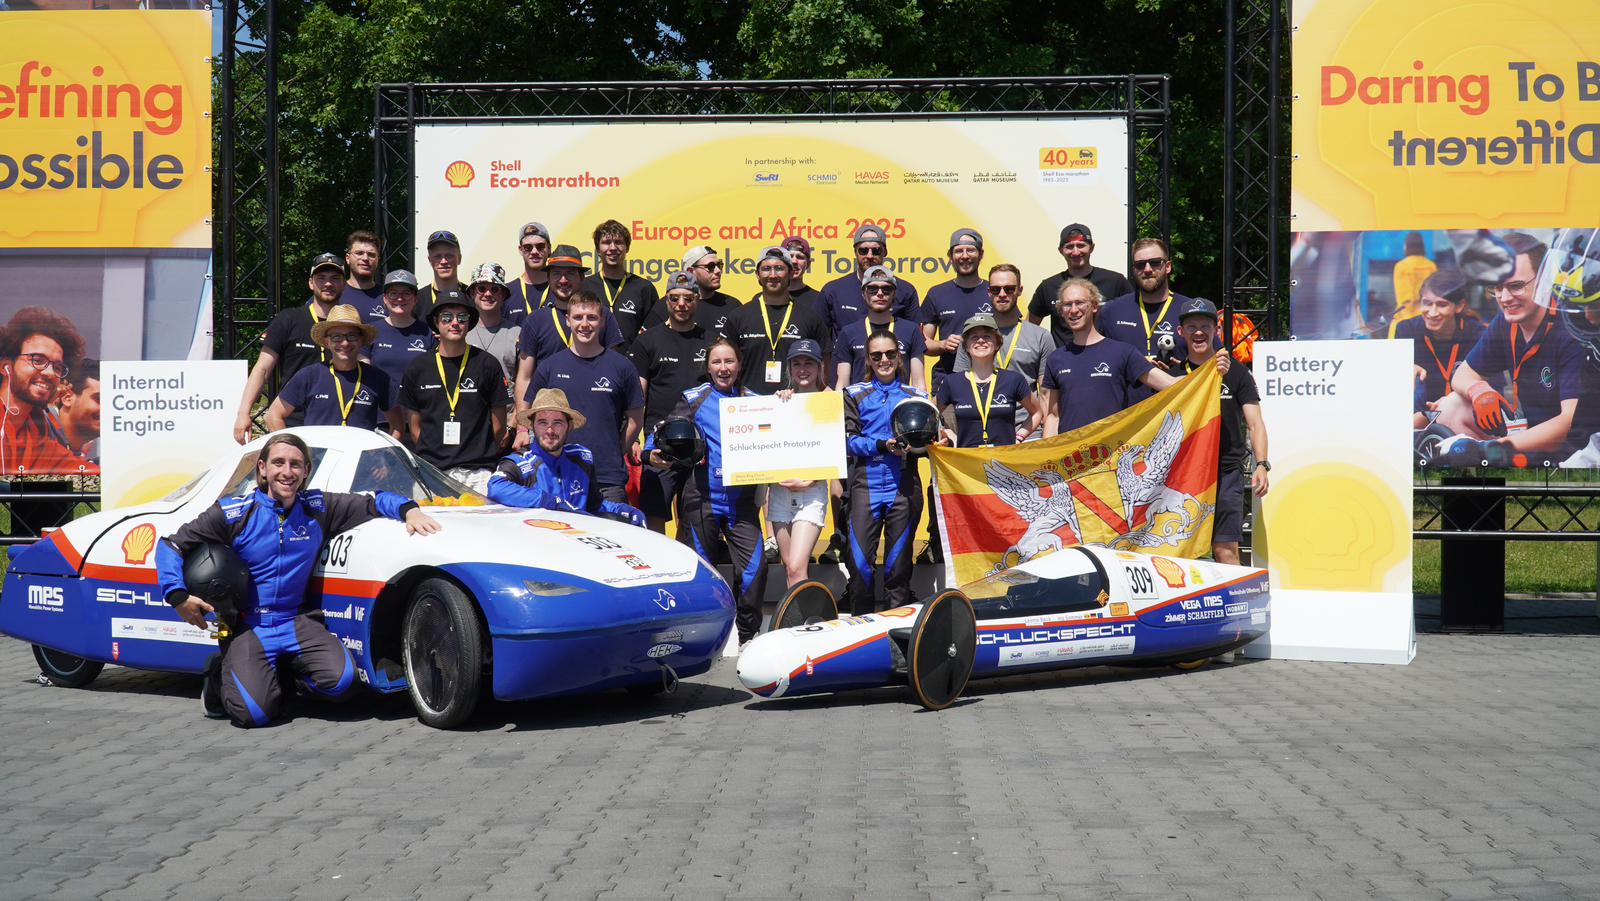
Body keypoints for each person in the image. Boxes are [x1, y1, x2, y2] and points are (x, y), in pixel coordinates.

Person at [156, 432, 442, 726]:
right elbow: (171, 546)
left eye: (296, 464)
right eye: (278, 463)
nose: (287, 472)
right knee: (254, 715)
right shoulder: (233, 513)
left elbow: (375, 501)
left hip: (296, 621)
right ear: (263, 469)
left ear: (306, 471)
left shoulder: (317, 508)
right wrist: (177, 596)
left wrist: (410, 511)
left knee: (343, 683)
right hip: (248, 625)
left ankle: (274, 678)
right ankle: (218, 675)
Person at [644, 337, 767, 644]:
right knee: (704, 574)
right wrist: (649, 453)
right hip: (701, 498)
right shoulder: (694, 398)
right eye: (716, 362)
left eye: (729, 362)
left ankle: (747, 637)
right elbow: (663, 430)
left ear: (739, 365)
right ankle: (707, 639)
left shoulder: (757, 401)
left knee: (755, 571)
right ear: (708, 367)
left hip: (743, 502)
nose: (723, 368)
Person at [1439, 233, 1581, 454]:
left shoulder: (1572, 330)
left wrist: (1493, 449)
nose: (1504, 298)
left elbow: (1571, 422)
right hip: (1531, 437)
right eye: (1497, 287)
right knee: (1452, 406)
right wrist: (1479, 391)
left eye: (1516, 286)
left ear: (1545, 282)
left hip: (1575, 449)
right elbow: (1462, 375)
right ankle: (1481, 482)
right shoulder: (1507, 323)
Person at [1040, 278, 1227, 437]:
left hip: (1109, 458)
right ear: (1061, 310)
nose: (1074, 310)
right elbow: (1053, 416)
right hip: (1070, 460)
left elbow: (1170, 384)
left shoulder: (1122, 352)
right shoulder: (1056, 359)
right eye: (1067, 304)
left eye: (1080, 303)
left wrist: (1212, 371)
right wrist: (1046, 458)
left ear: (1094, 306)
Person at [1173, 298, 1269, 565]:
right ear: (1181, 332)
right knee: (1178, 553)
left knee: (1224, 551)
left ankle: (1240, 604)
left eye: (1205, 325)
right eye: (1191, 326)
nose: (1199, 332)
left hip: (1226, 472)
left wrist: (1261, 464)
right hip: (1185, 475)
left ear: (1216, 330)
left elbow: (1255, 423)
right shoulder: (1172, 376)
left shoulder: (1237, 373)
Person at [524, 291, 644, 503]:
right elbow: (529, 413)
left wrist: (614, 452)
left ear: (602, 321)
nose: (585, 324)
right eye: (578, 317)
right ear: (568, 321)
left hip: (607, 478)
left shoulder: (622, 367)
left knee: (612, 535)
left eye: (592, 317)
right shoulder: (549, 367)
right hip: (557, 476)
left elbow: (636, 419)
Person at [842, 330, 931, 615]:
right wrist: (881, 444)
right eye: (877, 355)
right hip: (864, 485)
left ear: (899, 356)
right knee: (858, 566)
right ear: (867, 359)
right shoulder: (854, 394)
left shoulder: (916, 396)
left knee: (898, 566)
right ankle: (860, 633)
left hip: (904, 486)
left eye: (890, 354)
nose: (884, 360)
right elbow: (847, 440)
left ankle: (895, 635)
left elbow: (931, 439)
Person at [511, 244, 625, 444]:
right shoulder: (535, 320)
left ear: (582, 278)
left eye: (570, 274)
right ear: (548, 278)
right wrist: (522, 427)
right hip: (547, 426)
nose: (563, 280)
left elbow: (615, 372)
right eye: (556, 274)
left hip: (594, 422)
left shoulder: (603, 315)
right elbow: (524, 376)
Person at [399, 294, 513, 491]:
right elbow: (415, 427)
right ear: (436, 321)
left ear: (469, 323)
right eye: (446, 317)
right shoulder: (417, 367)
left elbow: (499, 426)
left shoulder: (487, 364)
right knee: (428, 523)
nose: (454, 323)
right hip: (431, 472)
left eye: (462, 317)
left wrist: (475, 452)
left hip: (478, 474)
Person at [486, 388, 645, 524]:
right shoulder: (519, 461)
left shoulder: (582, 457)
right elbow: (495, 487)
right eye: (542, 422)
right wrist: (549, 501)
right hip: (535, 548)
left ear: (569, 425)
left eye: (557, 423)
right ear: (532, 425)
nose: (550, 430)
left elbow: (593, 506)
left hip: (577, 545)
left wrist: (622, 510)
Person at [629, 269, 711, 533]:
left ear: (697, 299)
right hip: (659, 441)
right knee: (654, 512)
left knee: (695, 515)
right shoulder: (648, 340)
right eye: (674, 298)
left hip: (702, 442)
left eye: (688, 298)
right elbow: (637, 396)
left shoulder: (711, 341)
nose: (681, 305)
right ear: (666, 300)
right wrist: (635, 439)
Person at [234, 252, 347, 442]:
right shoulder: (288, 319)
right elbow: (262, 368)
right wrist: (243, 413)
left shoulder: (350, 325)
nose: (328, 284)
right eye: (321, 278)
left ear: (344, 284)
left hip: (338, 422)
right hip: (293, 421)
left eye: (335, 278)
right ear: (311, 283)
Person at [955, 264, 1056, 439]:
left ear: (1020, 290)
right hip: (983, 431)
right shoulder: (972, 337)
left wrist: (1046, 437)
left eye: (1009, 289)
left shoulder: (1040, 336)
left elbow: (1046, 393)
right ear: (988, 292)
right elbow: (959, 388)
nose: (1002, 294)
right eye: (996, 289)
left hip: (1028, 431)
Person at [267, 305, 401, 436]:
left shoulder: (379, 378)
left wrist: (379, 456)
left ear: (361, 340)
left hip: (359, 458)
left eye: (352, 336)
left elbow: (398, 426)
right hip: (317, 458)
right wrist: (289, 449)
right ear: (327, 342)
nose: (345, 343)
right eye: (337, 336)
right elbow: (273, 415)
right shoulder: (308, 376)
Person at [767, 340, 835, 588]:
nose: (802, 369)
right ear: (790, 368)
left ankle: (807, 625)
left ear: (820, 367)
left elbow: (835, 450)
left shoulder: (830, 402)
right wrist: (774, 407)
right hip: (779, 493)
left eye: (809, 363)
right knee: (789, 570)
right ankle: (795, 623)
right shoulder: (779, 402)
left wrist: (809, 480)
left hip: (811, 493)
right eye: (797, 364)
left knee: (797, 567)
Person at [722, 245, 833, 395]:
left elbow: (825, 366)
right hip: (747, 407)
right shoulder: (738, 316)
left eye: (779, 268)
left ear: (791, 273)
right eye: (766, 268)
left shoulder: (810, 317)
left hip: (795, 404)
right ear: (757, 274)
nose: (772, 275)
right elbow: (723, 362)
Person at [1096, 238, 1196, 401]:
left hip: (1179, 412)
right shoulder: (1111, 311)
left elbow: (1214, 361)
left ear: (1168, 266)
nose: (1147, 269)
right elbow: (1095, 360)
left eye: (1155, 262)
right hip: (1127, 416)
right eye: (1140, 265)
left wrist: (1186, 369)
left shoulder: (1191, 310)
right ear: (1134, 269)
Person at [0, 306, 94, 474]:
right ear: (6, 366)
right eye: (37, 360)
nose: (50, 373)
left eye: (57, 367)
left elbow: (84, 472)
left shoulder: (38, 435)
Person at [936, 313, 1041, 448]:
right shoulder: (952, 382)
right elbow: (929, 413)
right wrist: (949, 438)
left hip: (1004, 462)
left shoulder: (1013, 380)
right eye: (974, 337)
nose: (980, 340)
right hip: (967, 464)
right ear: (966, 347)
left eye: (987, 336)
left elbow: (1037, 412)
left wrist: (1019, 437)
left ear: (997, 344)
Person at [1395, 269, 1483, 426]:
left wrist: (1451, 403)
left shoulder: (1478, 335)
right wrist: (1403, 368)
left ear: (1459, 306)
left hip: (1463, 415)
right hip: (1417, 419)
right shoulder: (1405, 330)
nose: (1433, 313)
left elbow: (1492, 391)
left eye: (1442, 305)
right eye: (1427, 303)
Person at [1029, 223, 1135, 349]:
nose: (1075, 252)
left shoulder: (1115, 281)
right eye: (1069, 247)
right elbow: (1028, 330)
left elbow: (1136, 319)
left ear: (1092, 247)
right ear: (1060, 250)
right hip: (1064, 362)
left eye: (1081, 246)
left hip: (1107, 361)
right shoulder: (1048, 286)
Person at [819, 224, 921, 341]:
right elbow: (818, 339)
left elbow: (916, 340)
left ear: (885, 252)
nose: (870, 255)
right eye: (863, 250)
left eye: (876, 250)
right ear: (855, 252)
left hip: (890, 358)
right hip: (846, 358)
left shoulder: (905, 290)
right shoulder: (833, 290)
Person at [920, 228, 990, 394]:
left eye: (970, 250)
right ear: (950, 257)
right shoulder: (936, 294)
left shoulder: (995, 291)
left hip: (990, 385)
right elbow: (924, 343)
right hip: (948, 385)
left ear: (981, 254)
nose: (964, 256)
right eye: (958, 251)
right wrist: (943, 344)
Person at [835, 265, 927, 389]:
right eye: (872, 288)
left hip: (899, 406)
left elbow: (919, 382)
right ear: (863, 293)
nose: (879, 294)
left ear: (894, 294)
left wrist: (920, 407)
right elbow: (842, 384)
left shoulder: (911, 330)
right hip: (861, 407)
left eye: (886, 289)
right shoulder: (848, 332)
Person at [583, 218, 658, 348]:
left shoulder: (644, 288)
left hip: (632, 365)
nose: (613, 248)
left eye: (619, 242)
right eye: (606, 243)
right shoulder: (585, 286)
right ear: (597, 249)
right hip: (592, 363)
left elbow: (654, 333)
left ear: (627, 247)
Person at [363, 270, 436, 398]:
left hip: (417, 412)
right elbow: (364, 378)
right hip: (380, 414)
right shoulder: (370, 332)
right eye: (393, 293)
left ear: (415, 299)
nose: (400, 298)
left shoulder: (429, 333)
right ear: (384, 298)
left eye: (406, 294)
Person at [642, 246, 740, 334]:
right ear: (690, 271)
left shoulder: (732, 305)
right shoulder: (668, 305)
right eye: (710, 267)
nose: (718, 271)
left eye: (719, 265)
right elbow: (646, 343)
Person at [465, 262, 522, 382]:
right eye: (481, 289)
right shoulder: (459, 330)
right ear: (472, 293)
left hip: (508, 400)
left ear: (503, 295)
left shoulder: (517, 334)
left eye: (495, 289)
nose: (488, 294)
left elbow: (523, 379)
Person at [1388, 231, 1437, 338]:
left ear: (1406, 246)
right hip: (1427, 316)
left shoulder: (1402, 266)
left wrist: (1408, 323)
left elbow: (1403, 297)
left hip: (1407, 316)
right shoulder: (1431, 265)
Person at [54, 357, 100, 463]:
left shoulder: (71, 452)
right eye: (99, 400)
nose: (108, 410)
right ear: (67, 398)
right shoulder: (35, 432)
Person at [505, 221, 552, 323]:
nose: (534, 252)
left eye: (540, 246)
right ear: (520, 250)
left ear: (548, 248)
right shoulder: (506, 293)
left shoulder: (561, 290)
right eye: (528, 247)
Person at [417, 229, 468, 319]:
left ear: (459, 258)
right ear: (430, 260)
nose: (443, 261)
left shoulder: (471, 297)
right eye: (437, 256)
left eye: (449, 256)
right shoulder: (417, 300)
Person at [341, 230, 385, 321]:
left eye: (371, 255)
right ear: (347, 258)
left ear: (378, 260)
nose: (365, 258)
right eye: (359, 253)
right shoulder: (333, 294)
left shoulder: (389, 297)